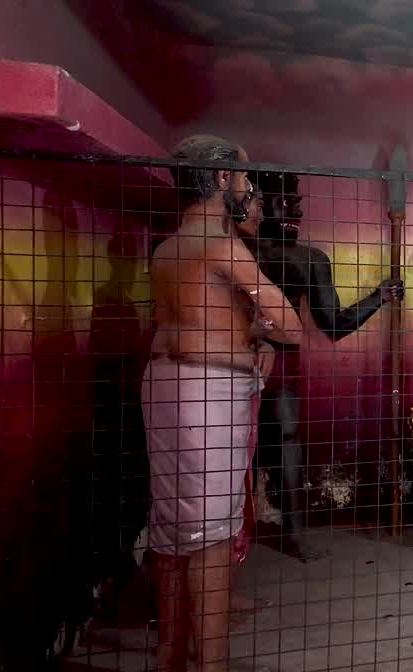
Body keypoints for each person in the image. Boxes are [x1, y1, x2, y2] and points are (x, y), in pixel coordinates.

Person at [142, 135, 301, 672]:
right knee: (210, 534)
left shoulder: (166, 249)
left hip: (163, 384)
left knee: (172, 528)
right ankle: (211, 666)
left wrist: (248, 333)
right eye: (244, 178)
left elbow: (193, 323)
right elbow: (294, 327)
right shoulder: (222, 245)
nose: (250, 188)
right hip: (207, 394)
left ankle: (170, 656)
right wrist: (262, 326)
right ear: (219, 181)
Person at [237, 171, 403, 561]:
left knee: (288, 439)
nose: (294, 211)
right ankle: (233, 537)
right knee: (227, 443)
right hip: (231, 355)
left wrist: (378, 297)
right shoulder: (234, 250)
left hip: (283, 359)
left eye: (297, 203)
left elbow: (334, 325)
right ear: (258, 203)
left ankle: (294, 533)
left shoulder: (309, 259)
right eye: (283, 202)